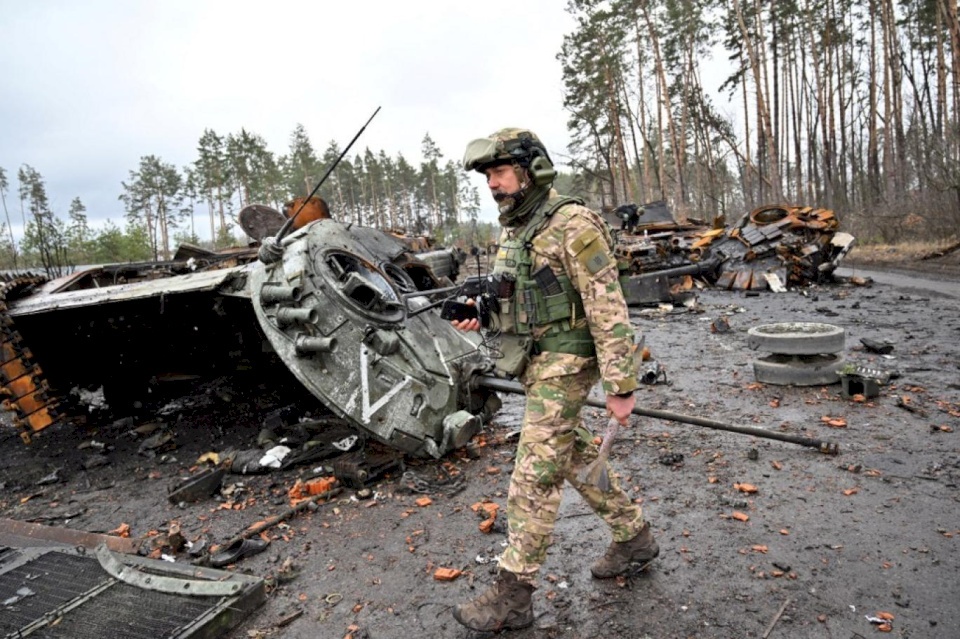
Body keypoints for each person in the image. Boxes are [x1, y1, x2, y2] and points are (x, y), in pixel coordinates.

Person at [451, 128, 659, 632]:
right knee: (572, 453)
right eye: (488, 176)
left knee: (534, 474)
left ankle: (512, 594)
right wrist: (482, 311)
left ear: (530, 170)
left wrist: (621, 386)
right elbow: (523, 297)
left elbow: (608, 306)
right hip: (536, 360)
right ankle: (634, 538)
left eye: (499, 173)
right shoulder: (516, 227)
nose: (493, 184)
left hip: (566, 360)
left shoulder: (572, 223)